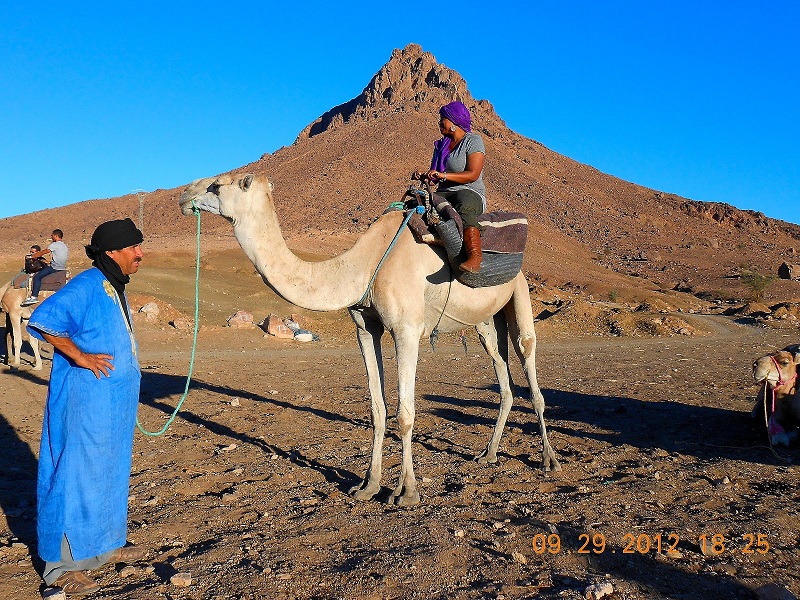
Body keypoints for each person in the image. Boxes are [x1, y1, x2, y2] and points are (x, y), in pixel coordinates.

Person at [27, 218, 146, 595]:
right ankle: (60, 568)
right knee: (73, 475)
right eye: (134, 248)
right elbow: (46, 320)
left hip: (111, 404)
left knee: (107, 470)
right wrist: (79, 356)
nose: (140, 255)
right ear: (112, 252)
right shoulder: (86, 285)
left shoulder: (113, 286)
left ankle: (102, 547)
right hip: (84, 402)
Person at [414, 100, 487, 272]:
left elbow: (473, 174)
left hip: (470, 191)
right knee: (416, 203)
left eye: (443, 119)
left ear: (454, 122)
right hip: (444, 192)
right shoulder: (441, 146)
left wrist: (444, 175)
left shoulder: (473, 141)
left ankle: (474, 257)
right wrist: (425, 175)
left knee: (465, 205)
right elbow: (435, 177)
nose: (439, 123)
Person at [21, 229, 69, 306]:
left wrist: (33, 256)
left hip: (55, 267)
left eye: (52, 235)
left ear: (56, 236)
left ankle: (34, 297)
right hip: (62, 267)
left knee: (37, 277)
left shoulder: (55, 245)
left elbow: (44, 252)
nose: (51, 237)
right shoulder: (64, 246)